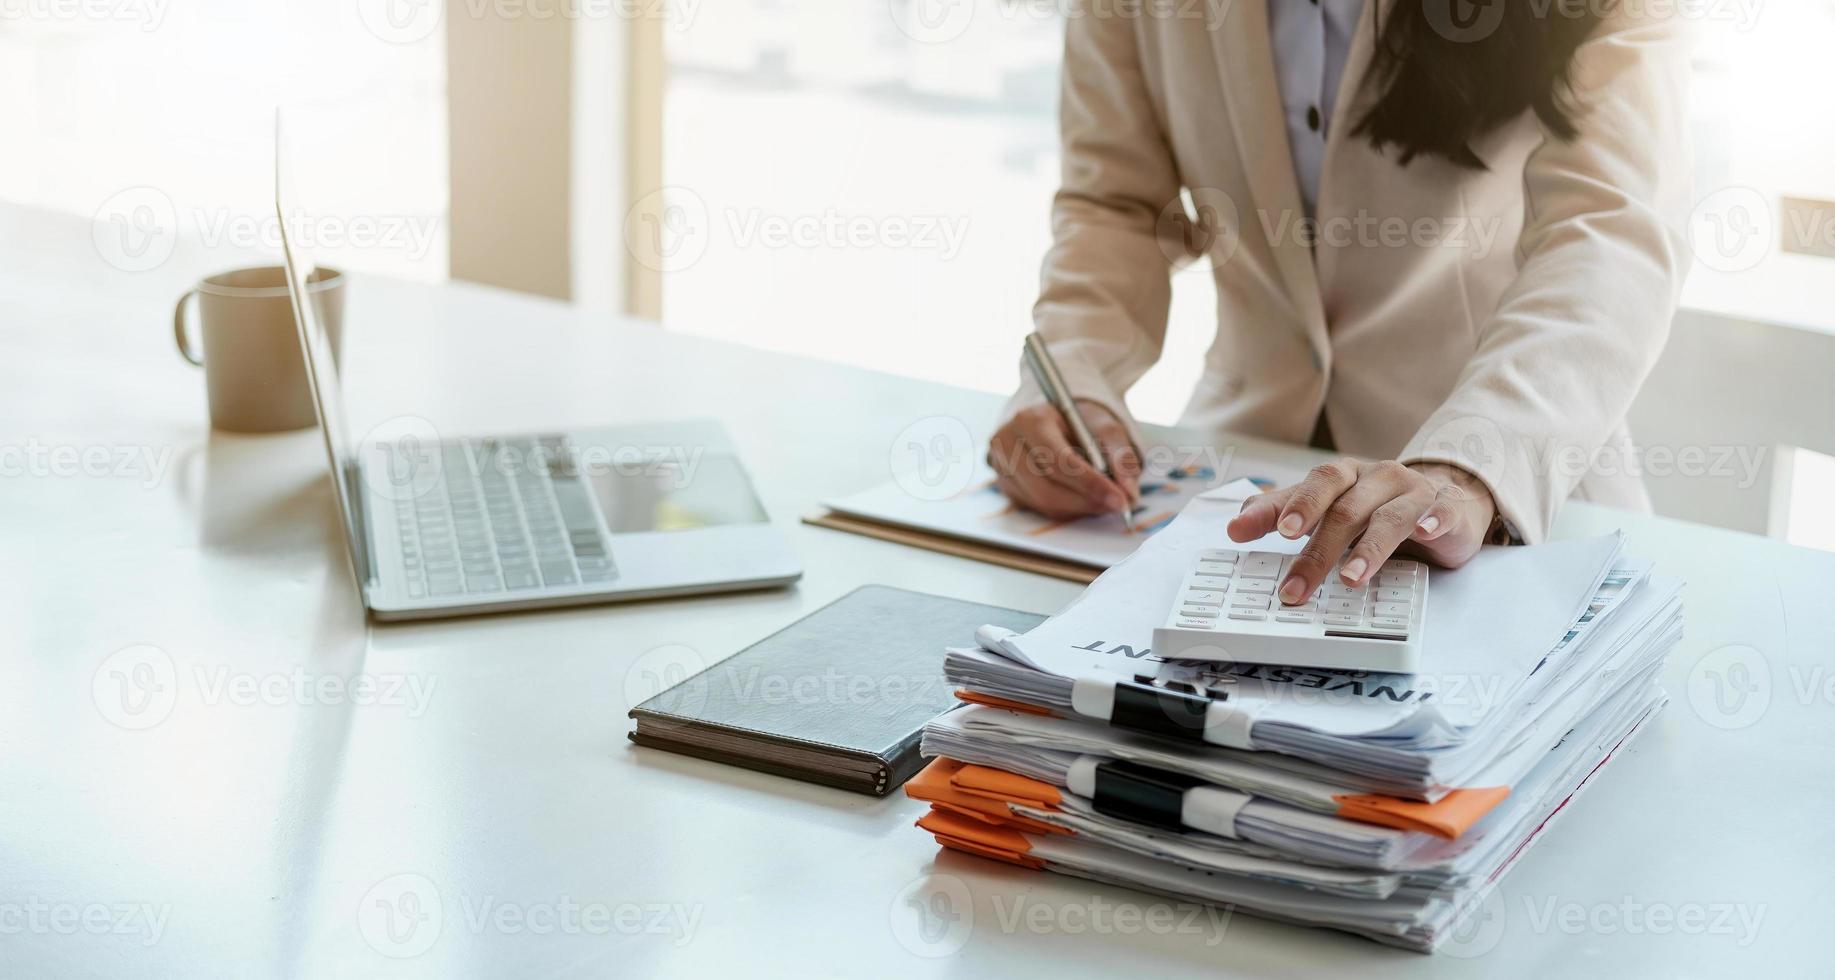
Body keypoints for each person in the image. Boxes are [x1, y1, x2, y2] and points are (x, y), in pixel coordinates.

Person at [990, 0, 1691, 607]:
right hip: (1241, 480)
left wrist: (1471, 464)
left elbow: (1608, 235)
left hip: (1511, 483)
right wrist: (1072, 380)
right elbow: (1115, 205)